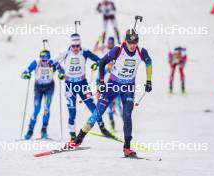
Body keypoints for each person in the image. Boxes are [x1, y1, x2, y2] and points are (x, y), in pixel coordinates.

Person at [67, 28, 153, 158]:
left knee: (127, 115)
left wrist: (148, 80)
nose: (133, 45)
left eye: (135, 42)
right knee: (97, 113)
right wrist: (101, 82)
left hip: (128, 87)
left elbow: (149, 62)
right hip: (113, 85)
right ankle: (78, 139)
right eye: (130, 42)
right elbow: (102, 63)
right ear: (126, 41)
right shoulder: (117, 50)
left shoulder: (141, 51)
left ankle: (127, 148)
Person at [54, 33, 113, 141]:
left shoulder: (85, 51)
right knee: (72, 111)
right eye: (74, 46)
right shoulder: (65, 52)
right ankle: (72, 136)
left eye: (78, 46)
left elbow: (100, 60)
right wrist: (60, 71)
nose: (76, 48)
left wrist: (96, 64)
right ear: (70, 45)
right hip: (70, 85)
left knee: (93, 107)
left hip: (82, 84)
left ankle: (103, 128)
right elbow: (51, 62)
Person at [21, 50, 63, 140]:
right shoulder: (36, 63)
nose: (44, 62)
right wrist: (26, 74)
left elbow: (62, 72)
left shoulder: (53, 63)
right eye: (42, 60)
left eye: (46, 60)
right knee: (37, 109)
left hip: (49, 87)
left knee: (47, 108)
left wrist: (61, 75)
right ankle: (30, 130)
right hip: (38, 88)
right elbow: (24, 72)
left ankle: (44, 130)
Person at [95, 37, 123, 131]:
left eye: (111, 43)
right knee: (110, 108)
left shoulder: (116, 50)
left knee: (120, 107)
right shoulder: (106, 70)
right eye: (109, 43)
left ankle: (125, 124)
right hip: (109, 91)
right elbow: (95, 49)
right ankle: (112, 126)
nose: (110, 44)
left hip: (117, 90)